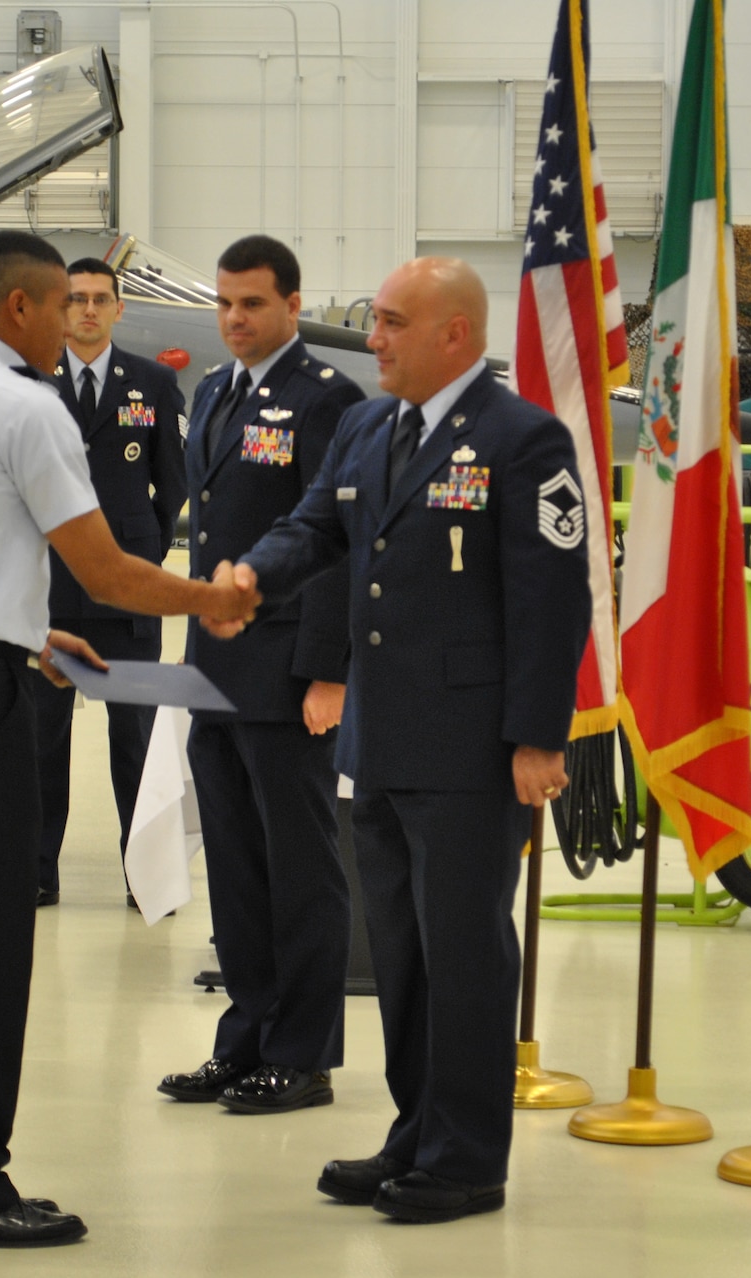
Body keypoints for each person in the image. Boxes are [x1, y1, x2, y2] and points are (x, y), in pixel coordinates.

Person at [0, 231, 257, 1250]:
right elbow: (114, 571)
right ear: (26, 311)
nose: (72, 318)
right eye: (58, 303)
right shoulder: (24, 406)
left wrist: (22, 629)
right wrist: (212, 596)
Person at [210, 256, 591, 1222]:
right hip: (378, 741)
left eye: (387, 322)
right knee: (403, 952)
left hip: (471, 751)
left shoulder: (523, 439)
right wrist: (247, 579)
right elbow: (315, 531)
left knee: (464, 950)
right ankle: (414, 1130)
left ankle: (466, 1155)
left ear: (452, 335)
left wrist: (539, 738)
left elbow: (553, 602)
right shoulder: (369, 425)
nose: (370, 338)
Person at [156, 235, 365, 1116]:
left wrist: (326, 672)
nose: (235, 320)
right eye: (225, 304)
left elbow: (338, 545)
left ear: (292, 304)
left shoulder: (328, 400)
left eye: (252, 304)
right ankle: (244, 1039)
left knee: (300, 869)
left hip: (287, 671)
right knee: (237, 866)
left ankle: (304, 1053)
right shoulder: (212, 391)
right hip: (216, 666)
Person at [30, 257, 188, 909]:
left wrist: (135, 541)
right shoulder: (31, 383)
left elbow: (173, 483)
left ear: (120, 309)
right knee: (42, 739)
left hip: (128, 591)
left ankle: (142, 875)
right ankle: (37, 872)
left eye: (101, 299)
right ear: (60, 310)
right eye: (76, 299)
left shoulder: (152, 383)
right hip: (47, 590)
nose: (88, 309)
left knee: (136, 738)